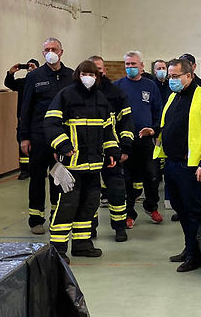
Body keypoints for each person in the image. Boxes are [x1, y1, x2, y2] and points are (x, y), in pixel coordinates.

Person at [44, 60, 121, 262]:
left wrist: (112, 151)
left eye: (93, 74)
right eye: (85, 73)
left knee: (89, 205)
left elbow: (108, 129)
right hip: (70, 166)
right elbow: (51, 123)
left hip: (94, 166)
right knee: (67, 206)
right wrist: (63, 145)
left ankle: (82, 244)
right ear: (78, 74)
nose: (89, 77)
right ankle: (58, 249)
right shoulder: (65, 96)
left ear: (98, 77)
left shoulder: (101, 99)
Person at [154, 57, 201, 272]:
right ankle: (189, 247)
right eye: (170, 76)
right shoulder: (174, 96)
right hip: (172, 164)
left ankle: (196, 255)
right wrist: (154, 130)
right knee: (180, 209)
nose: (171, 80)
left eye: (175, 76)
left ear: (189, 75)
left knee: (194, 211)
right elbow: (170, 124)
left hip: (192, 166)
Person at [19, 38, 74, 235]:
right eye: (47, 49)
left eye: (54, 49)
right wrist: (23, 137)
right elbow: (25, 108)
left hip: (61, 138)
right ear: (43, 53)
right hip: (38, 136)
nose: (50, 52)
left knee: (59, 177)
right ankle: (36, 219)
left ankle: (57, 217)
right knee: (37, 178)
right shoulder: (34, 77)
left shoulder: (71, 76)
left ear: (61, 52)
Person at [114, 50, 164, 227]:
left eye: (134, 64)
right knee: (126, 179)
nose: (130, 67)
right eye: (127, 64)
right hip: (125, 142)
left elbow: (159, 112)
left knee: (152, 175)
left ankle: (151, 206)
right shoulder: (117, 86)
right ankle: (129, 213)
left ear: (142, 66)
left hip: (145, 141)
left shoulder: (151, 86)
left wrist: (154, 130)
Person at [89, 56, 135, 242]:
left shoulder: (115, 93)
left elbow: (126, 122)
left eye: (99, 69)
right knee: (90, 193)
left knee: (116, 190)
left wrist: (125, 147)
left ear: (104, 70)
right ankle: (89, 228)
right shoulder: (75, 94)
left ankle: (119, 227)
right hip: (86, 152)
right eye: (92, 71)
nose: (96, 74)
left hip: (111, 151)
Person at [5, 58, 39, 180]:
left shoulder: (41, 82)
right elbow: (9, 84)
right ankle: (24, 170)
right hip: (23, 118)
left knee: (37, 144)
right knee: (22, 143)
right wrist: (11, 73)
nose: (30, 69)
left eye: (33, 67)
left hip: (37, 118)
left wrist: (37, 73)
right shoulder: (23, 83)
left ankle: (37, 169)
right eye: (29, 67)